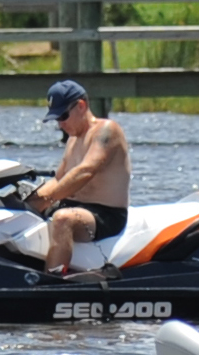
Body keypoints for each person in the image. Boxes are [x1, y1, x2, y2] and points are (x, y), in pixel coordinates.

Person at [29, 79, 133, 276]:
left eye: (63, 116)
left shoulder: (106, 130)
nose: (60, 124)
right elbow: (59, 180)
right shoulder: (73, 140)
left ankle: (52, 282)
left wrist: (48, 200)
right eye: (56, 119)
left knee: (62, 219)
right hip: (74, 206)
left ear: (81, 106)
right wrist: (27, 202)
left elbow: (86, 170)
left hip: (105, 214)